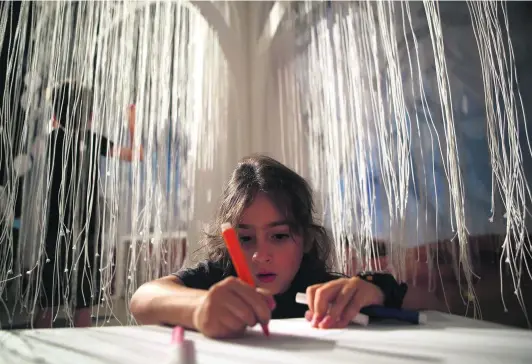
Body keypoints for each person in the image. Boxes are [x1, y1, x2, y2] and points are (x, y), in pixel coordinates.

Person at [130, 155, 444, 338]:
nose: (260, 255)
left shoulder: (320, 290)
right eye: (245, 237)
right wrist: (200, 309)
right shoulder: (218, 281)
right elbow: (142, 299)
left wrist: (375, 291)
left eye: (279, 236)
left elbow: (433, 303)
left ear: (306, 239)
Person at [36, 81, 143, 328]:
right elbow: (137, 155)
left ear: (55, 115)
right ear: (90, 116)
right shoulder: (94, 140)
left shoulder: (49, 142)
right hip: (86, 227)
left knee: (47, 303)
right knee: (83, 306)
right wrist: (132, 121)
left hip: (54, 225)